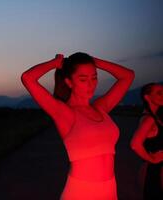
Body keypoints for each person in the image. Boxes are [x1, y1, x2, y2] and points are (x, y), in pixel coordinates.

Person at [21, 52, 134, 200]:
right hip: (81, 191)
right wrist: (55, 63)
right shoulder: (64, 113)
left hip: (110, 189)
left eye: (94, 78)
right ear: (69, 82)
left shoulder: (101, 107)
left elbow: (128, 76)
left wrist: (95, 61)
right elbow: (27, 78)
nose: (90, 84)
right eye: (83, 79)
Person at [130, 83, 163, 200]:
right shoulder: (149, 119)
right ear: (147, 97)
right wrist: (152, 159)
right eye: (159, 93)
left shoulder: (156, 118)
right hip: (154, 173)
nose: (162, 95)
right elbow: (135, 144)